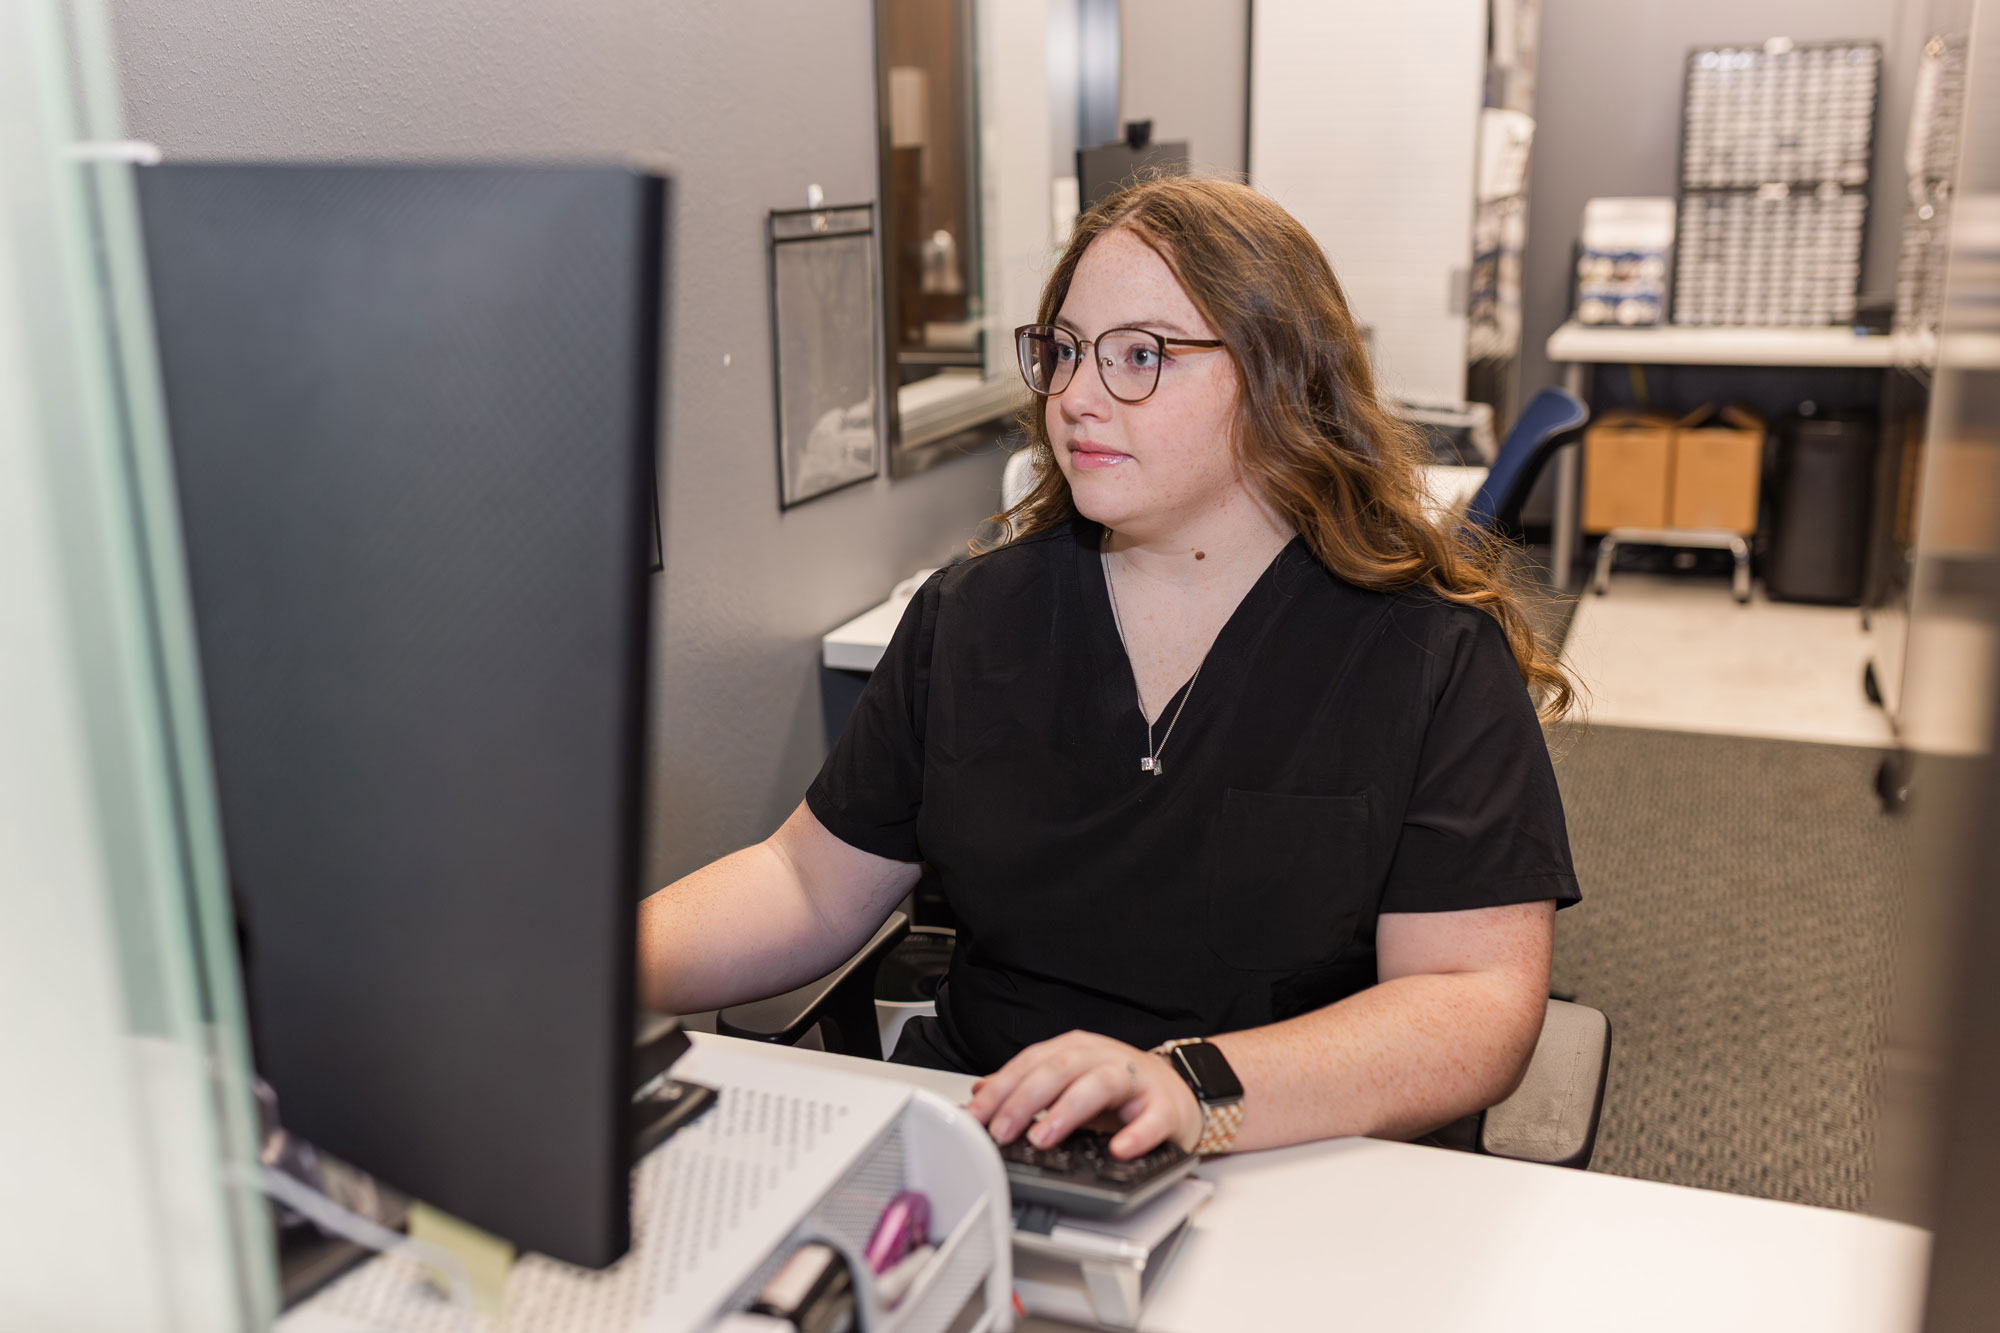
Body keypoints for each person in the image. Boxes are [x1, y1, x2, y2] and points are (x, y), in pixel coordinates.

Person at [640, 177, 1579, 1163]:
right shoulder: (972, 618)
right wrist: (585, 967)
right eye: (1063, 351)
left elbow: (1473, 1005)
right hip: (994, 1135)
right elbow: (806, 882)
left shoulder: (1422, 651)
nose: (1074, 397)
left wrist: (1188, 1086)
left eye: (1139, 355)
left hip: (1292, 1148)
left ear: (1275, 376)